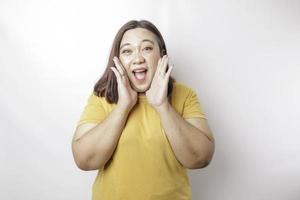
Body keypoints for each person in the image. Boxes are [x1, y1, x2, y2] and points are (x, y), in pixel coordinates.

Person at [71, 20, 215, 200]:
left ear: (162, 55)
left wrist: (162, 106)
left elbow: (200, 158)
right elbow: (84, 160)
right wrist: (123, 107)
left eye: (146, 48)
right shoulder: (102, 98)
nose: (138, 58)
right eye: (127, 51)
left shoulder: (184, 95)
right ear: (118, 60)